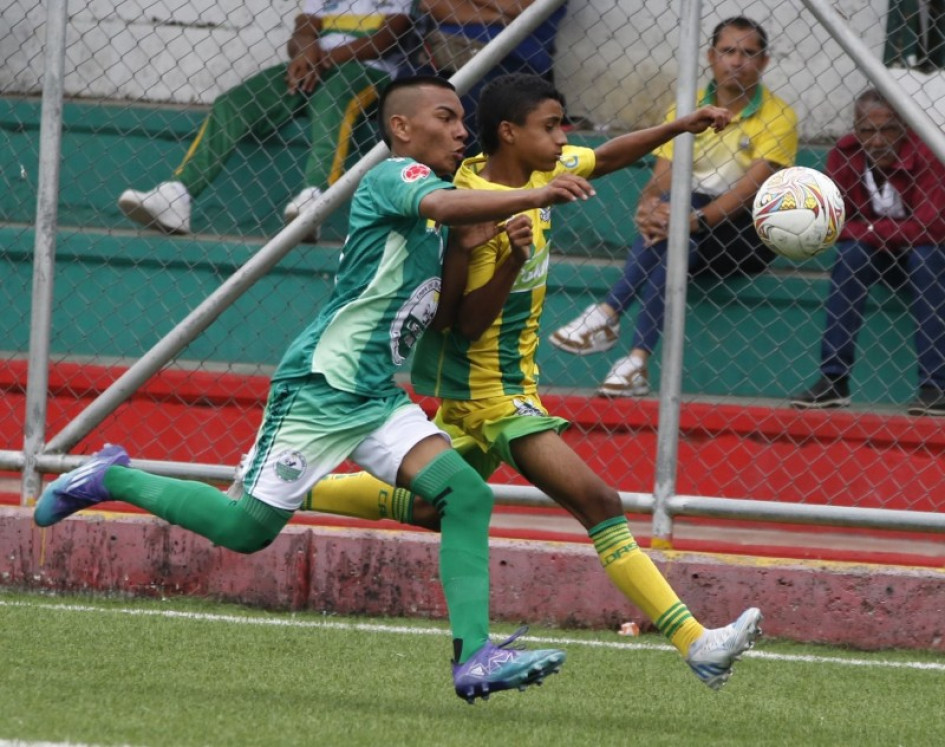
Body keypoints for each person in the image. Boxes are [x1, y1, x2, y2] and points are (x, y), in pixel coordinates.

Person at [35, 76, 599, 704]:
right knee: (247, 529)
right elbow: (446, 208)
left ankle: (474, 657)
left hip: (376, 396)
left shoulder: (439, 208)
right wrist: (538, 192)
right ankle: (110, 478)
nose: (463, 130)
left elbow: (446, 302)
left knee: (464, 496)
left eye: (465, 118)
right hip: (322, 386)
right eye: (447, 116)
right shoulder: (394, 176)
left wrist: (481, 248)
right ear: (403, 129)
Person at [303, 72, 763, 690]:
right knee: (598, 502)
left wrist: (678, 127)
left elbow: (607, 155)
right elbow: (459, 325)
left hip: (501, 389)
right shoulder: (465, 204)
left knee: (426, 505)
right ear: (509, 133)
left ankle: (292, 487)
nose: (564, 138)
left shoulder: (543, 168)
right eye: (551, 126)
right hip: (490, 393)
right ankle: (696, 642)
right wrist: (511, 250)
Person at [548, 16, 799, 397]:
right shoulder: (687, 107)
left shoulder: (780, 117)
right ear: (711, 56)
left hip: (745, 232)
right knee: (675, 243)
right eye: (728, 51)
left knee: (678, 234)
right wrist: (649, 205)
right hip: (685, 224)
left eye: (749, 53)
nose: (737, 61)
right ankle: (635, 361)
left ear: (763, 62)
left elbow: (747, 193)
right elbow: (663, 178)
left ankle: (609, 314)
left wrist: (689, 222)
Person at [118, 0, 413, 240]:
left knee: (331, 102)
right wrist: (305, 50)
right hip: (312, 67)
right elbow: (302, 30)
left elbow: (385, 39)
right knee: (233, 103)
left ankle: (314, 200)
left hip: (367, 72)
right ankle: (177, 193)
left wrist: (320, 60)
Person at [790, 89, 945, 416]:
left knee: (925, 257)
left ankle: (936, 386)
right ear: (855, 130)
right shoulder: (845, 154)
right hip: (882, 255)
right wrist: (869, 233)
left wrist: (867, 229)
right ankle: (833, 381)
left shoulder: (928, 152)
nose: (876, 142)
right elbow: (830, 220)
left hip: (932, 258)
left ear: (904, 127)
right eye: (867, 131)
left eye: (887, 130)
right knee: (851, 254)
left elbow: (929, 229)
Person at [409, 0, 567, 155]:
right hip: (443, 52)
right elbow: (432, 4)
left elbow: (516, 5)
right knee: (406, 108)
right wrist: (501, 17)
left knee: (459, 132)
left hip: (508, 60)